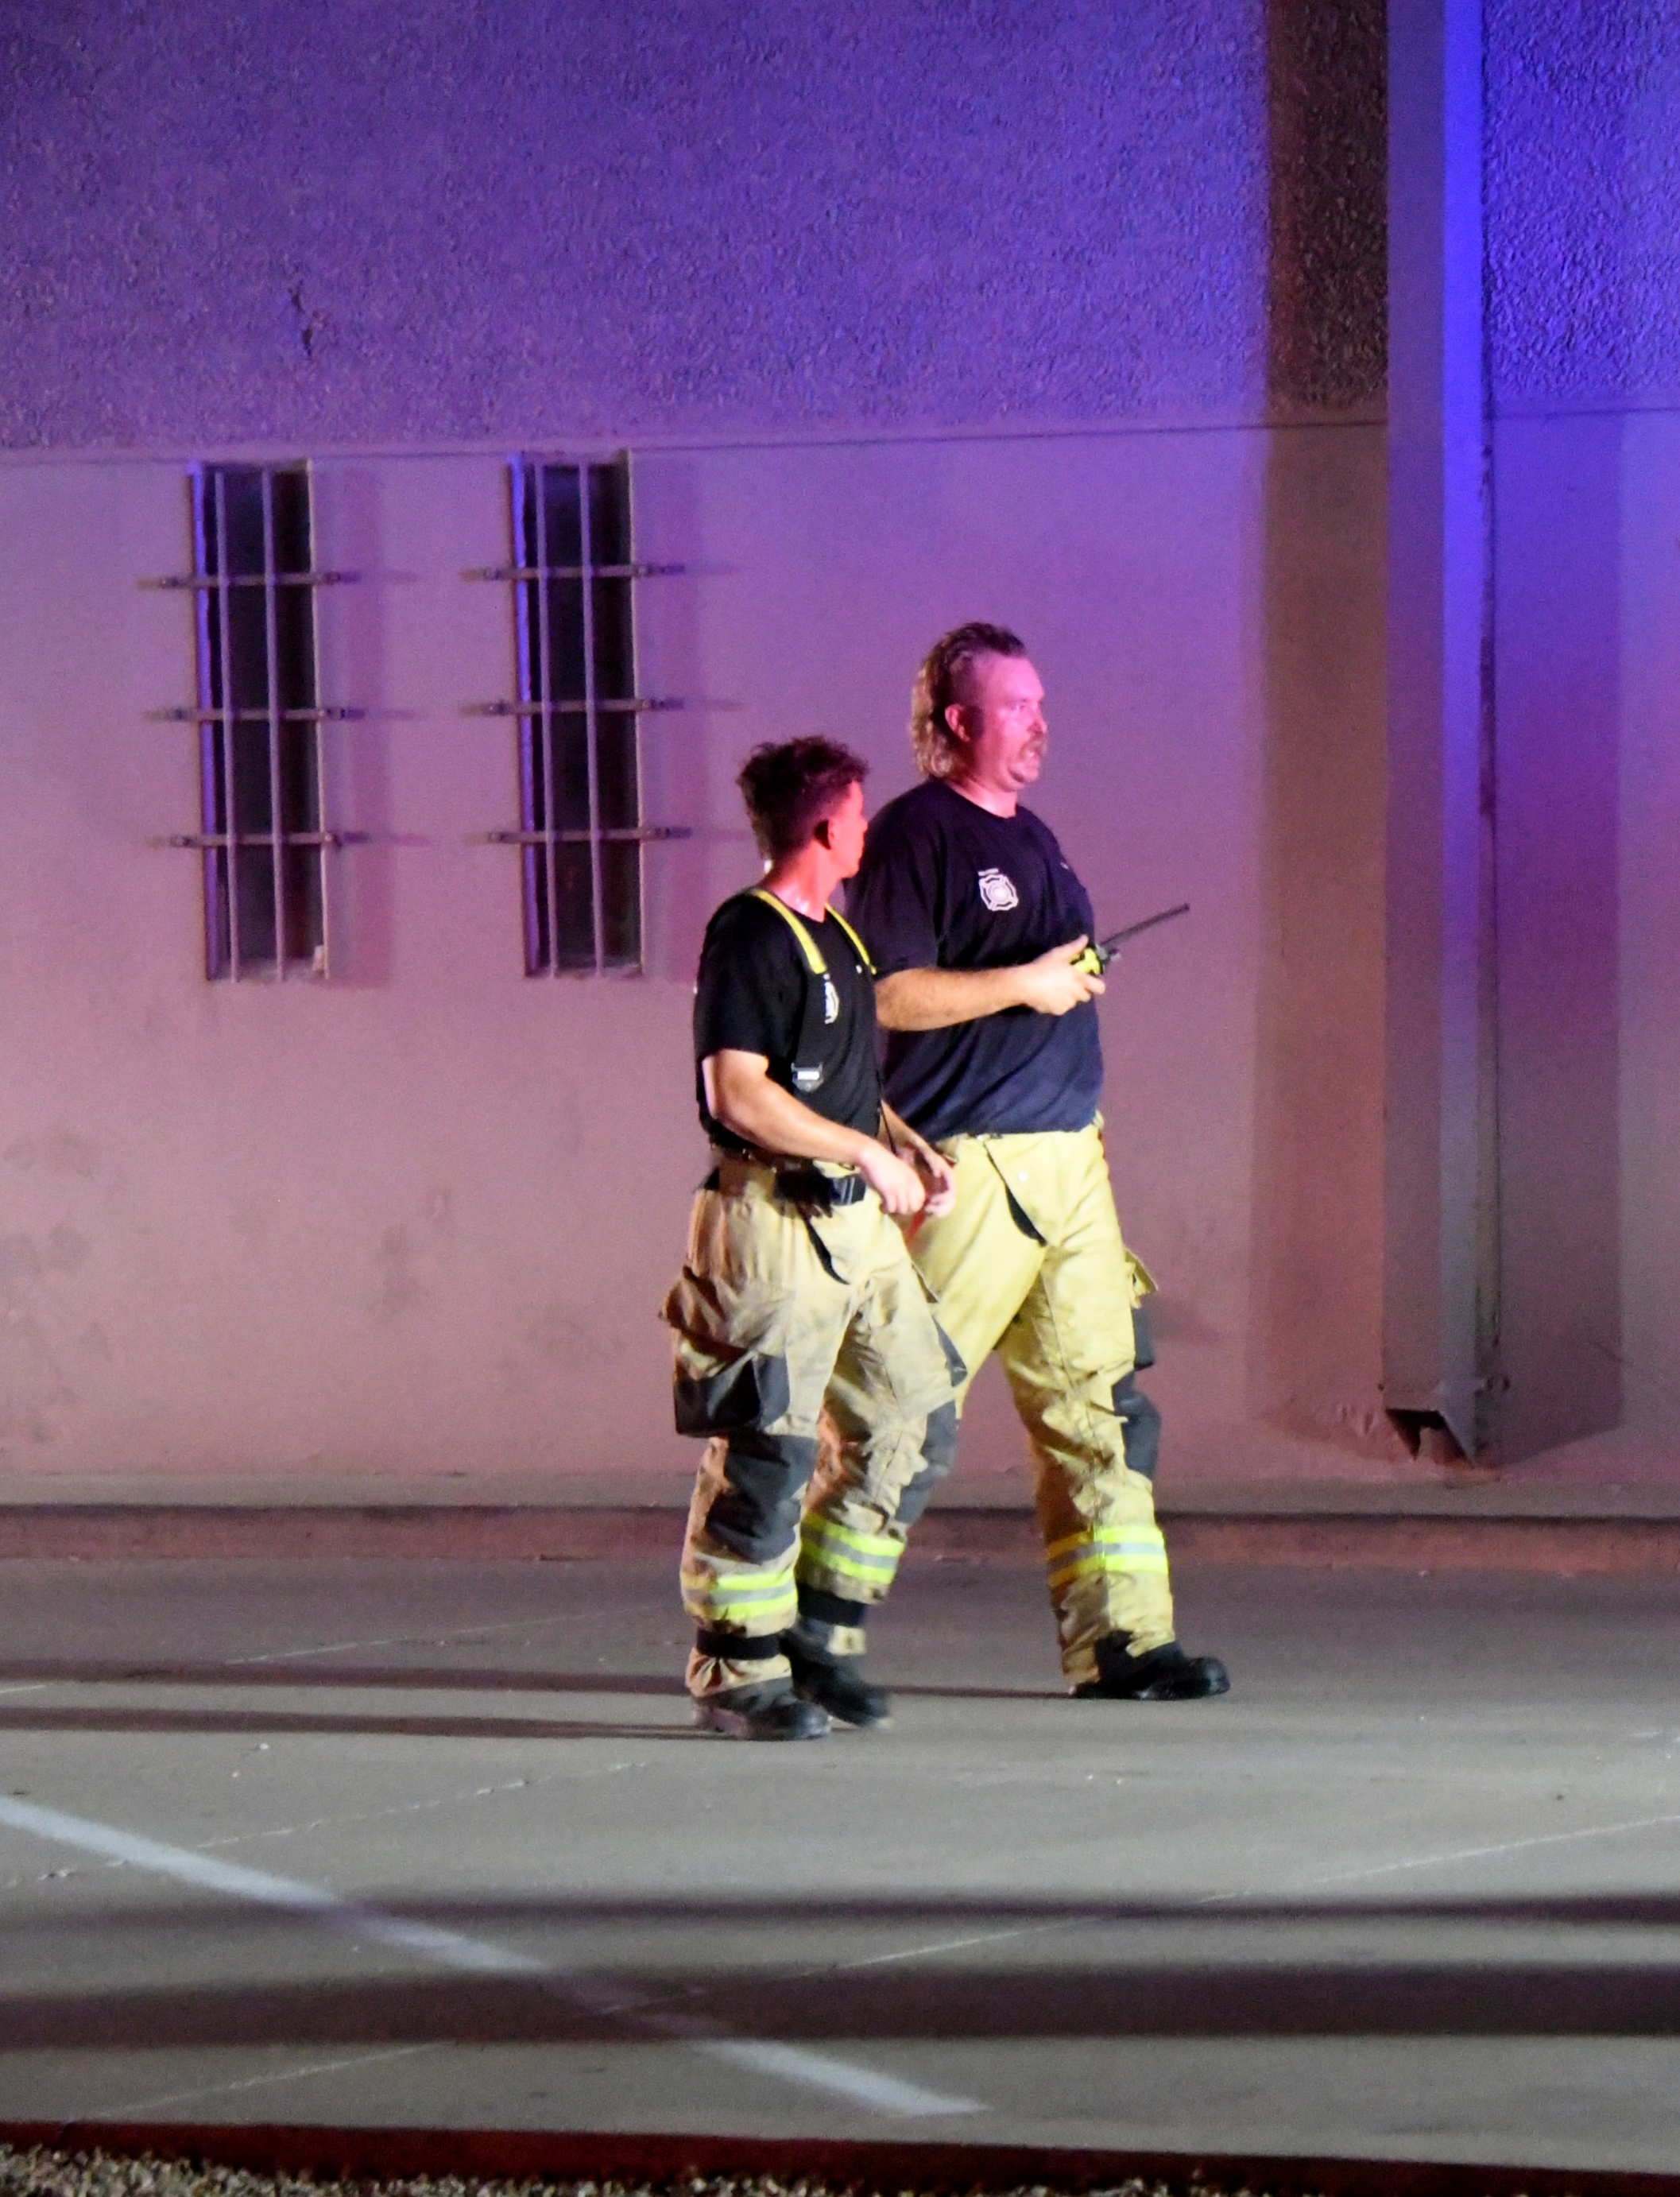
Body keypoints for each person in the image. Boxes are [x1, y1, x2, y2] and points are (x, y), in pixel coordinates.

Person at [847, 623, 1229, 1702]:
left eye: (1039, 703)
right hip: (968, 1171)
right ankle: (799, 1635)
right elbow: (890, 994)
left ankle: (1124, 1642)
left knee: (1098, 1409)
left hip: (1069, 1167)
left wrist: (1060, 996)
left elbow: (1041, 983)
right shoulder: (915, 835)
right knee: (894, 1408)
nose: (1039, 723)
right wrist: (1027, 983)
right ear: (957, 720)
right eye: (1016, 706)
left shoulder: (1038, 839)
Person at [662, 736, 962, 1741]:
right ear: (826, 827)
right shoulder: (749, 934)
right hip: (771, 1228)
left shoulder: (839, 936)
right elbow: (736, 1093)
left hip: (855, 1224)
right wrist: (866, 1154)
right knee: (768, 1448)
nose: (867, 829)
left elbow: (844, 1088)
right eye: (859, 815)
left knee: (912, 1416)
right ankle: (735, 1669)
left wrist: (904, 1147)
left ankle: (815, 1636)